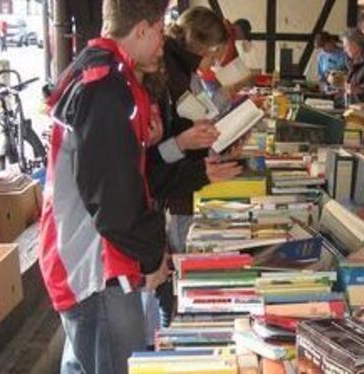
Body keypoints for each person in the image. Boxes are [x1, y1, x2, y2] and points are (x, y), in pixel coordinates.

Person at [38, 1, 171, 373]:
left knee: (84, 360)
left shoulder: (105, 74)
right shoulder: (107, 89)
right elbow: (113, 201)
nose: (163, 43)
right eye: (160, 31)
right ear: (141, 29)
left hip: (87, 256)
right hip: (96, 265)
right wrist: (151, 259)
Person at [156, 6, 243, 326]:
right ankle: (173, 325)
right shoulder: (172, 73)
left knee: (182, 269)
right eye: (214, 52)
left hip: (185, 177)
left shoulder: (181, 70)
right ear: (198, 45)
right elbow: (190, 124)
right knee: (181, 270)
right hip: (178, 187)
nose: (216, 60)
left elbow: (199, 116)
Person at [342, 27, 364, 104]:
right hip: (353, 107)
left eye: (346, 46)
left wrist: (359, 90)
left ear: (355, 45)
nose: (344, 50)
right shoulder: (350, 61)